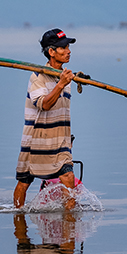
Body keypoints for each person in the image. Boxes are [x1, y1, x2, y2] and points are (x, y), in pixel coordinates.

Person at [14, 28, 78, 209]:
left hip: (60, 140)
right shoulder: (37, 77)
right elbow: (45, 104)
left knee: (68, 177)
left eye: (68, 47)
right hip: (36, 140)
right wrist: (61, 84)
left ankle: (69, 228)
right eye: (63, 48)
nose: (68, 51)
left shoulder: (64, 77)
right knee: (24, 182)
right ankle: (19, 223)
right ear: (51, 52)